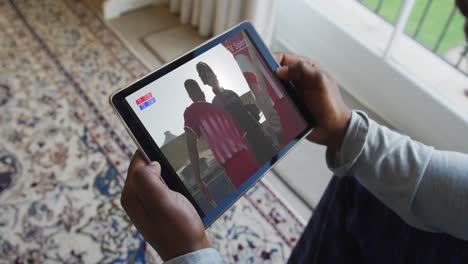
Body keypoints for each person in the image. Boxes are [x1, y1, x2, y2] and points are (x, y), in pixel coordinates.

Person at [120, 1, 468, 262]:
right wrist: (347, 129)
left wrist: (190, 253)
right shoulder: (197, 109)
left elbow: (244, 115)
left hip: (248, 146)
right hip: (236, 155)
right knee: (355, 183)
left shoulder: (223, 95)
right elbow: (198, 144)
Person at [182, 79, 260, 205]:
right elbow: (243, 139)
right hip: (246, 158)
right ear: (200, 92)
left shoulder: (193, 111)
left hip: (236, 164)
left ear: (191, 96)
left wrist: (198, 180)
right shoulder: (218, 110)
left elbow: (191, 145)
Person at [195, 61, 277, 165]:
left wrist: (264, 131)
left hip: (259, 132)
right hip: (247, 142)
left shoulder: (231, 92)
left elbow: (246, 113)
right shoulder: (216, 102)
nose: (213, 77)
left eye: (213, 74)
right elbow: (227, 127)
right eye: (209, 77)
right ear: (206, 82)